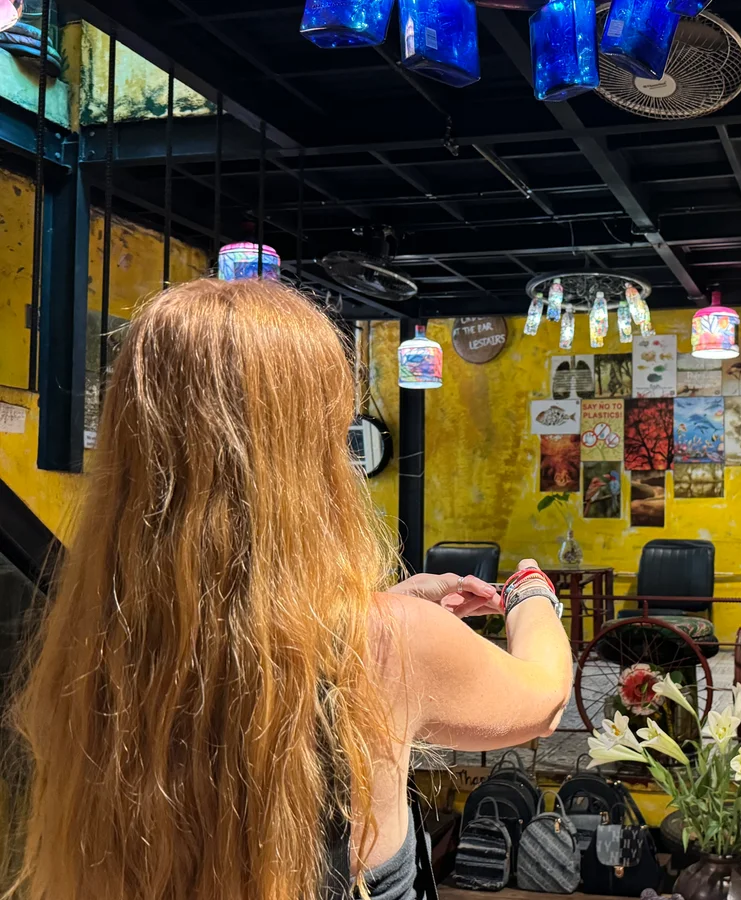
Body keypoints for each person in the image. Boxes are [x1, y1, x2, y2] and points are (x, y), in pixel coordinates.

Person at [9, 279, 573, 900]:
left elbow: (243, 628)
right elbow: (543, 701)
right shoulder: (383, 644)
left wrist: (386, 606)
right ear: (307, 451)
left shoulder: (93, 645)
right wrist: (532, 595)